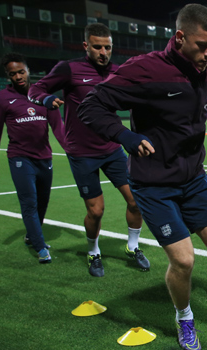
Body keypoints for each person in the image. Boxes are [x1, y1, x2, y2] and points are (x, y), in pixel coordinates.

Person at [78, 4, 207, 349]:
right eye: (202, 45)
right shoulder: (144, 69)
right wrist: (126, 137)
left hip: (194, 179)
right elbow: (92, 107)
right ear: (179, 37)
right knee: (184, 260)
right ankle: (184, 318)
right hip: (154, 184)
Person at [28, 23, 149, 277]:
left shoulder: (118, 71)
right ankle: (93, 251)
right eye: (97, 47)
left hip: (113, 147)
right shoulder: (69, 68)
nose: (103, 52)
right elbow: (35, 89)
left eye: (107, 47)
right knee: (96, 210)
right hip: (82, 152)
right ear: (86, 46)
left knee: (136, 201)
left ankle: (133, 247)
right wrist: (47, 99)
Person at [0, 53, 67, 263]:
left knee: (42, 202)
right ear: (8, 76)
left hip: (45, 158)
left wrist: (72, 150)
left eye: (21, 72)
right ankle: (41, 247)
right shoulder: (1, 99)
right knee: (29, 202)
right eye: (13, 74)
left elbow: (58, 128)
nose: (18, 77)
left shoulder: (44, 96)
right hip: (20, 158)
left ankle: (32, 236)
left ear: (28, 70)